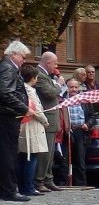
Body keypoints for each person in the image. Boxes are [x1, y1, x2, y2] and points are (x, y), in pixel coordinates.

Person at [0, 40, 34, 202]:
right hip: (7, 117)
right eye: (22, 56)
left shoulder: (8, 67)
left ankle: (7, 189)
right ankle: (8, 190)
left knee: (7, 154)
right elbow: (5, 92)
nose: (24, 60)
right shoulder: (8, 68)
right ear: (13, 54)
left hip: (9, 116)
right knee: (8, 155)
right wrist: (24, 108)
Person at [33, 51, 65, 193]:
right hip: (45, 119)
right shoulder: (39, 75)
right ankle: (40, 180)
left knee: (50, 153)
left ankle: (48, 178)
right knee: (44, 153)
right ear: (48, 63)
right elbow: (49, 93)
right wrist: (58, 85)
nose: (56, 66)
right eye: (55, 63)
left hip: (51, 120)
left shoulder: (46, 75)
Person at [17, 64, 49, 197]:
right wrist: (45, 121)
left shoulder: (22, 89)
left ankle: (23, 186)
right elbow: (37, 110)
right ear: (33, 78)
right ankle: (28, 187)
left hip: (26, 126)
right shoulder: (29, 90)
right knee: (31, 157)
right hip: (32, 127)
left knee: (24, 158)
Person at [64, 78, 93, 186]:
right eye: (71, 87)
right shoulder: (63, 99)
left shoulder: (84, 99)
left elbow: (92, 116)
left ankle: (81, 183)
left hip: (81, 131)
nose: (74, 89)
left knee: (80, 159)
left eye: (76, 87)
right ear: (67, 88)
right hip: (67, 132)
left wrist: (88, 124)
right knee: (66, 159)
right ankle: (66, 182)